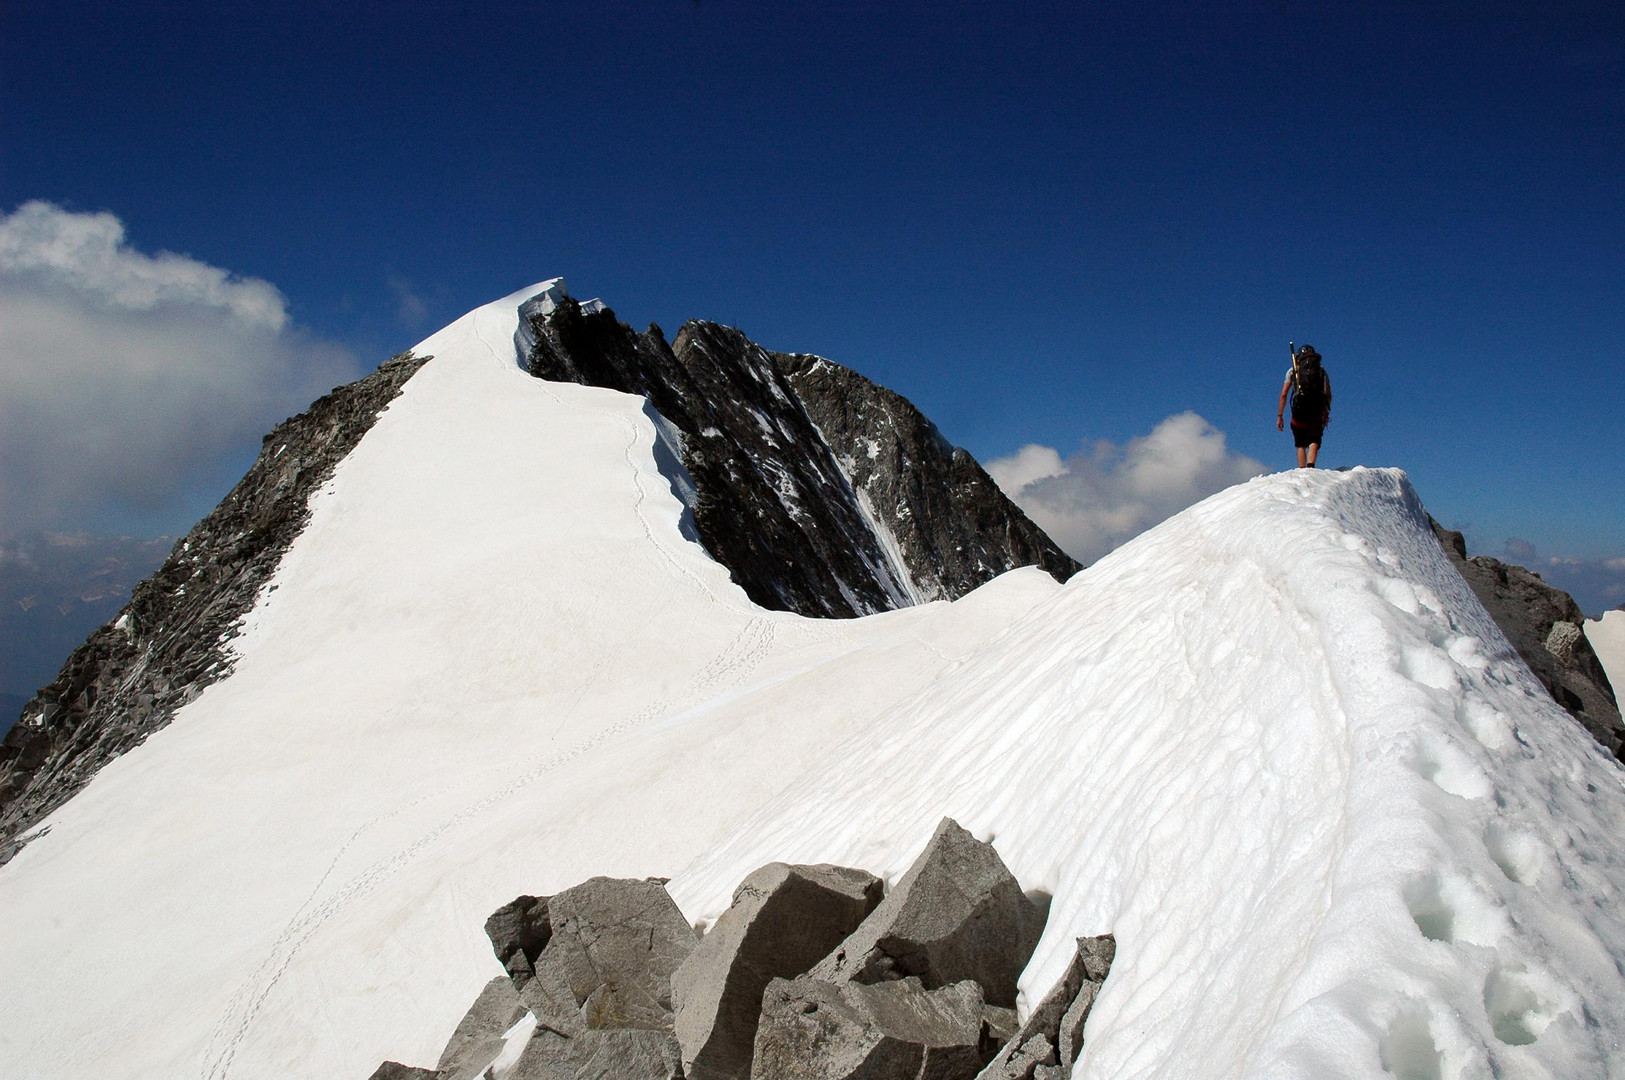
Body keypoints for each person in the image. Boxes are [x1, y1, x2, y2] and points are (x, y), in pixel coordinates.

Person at [1277, 344, 1332, 468]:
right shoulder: (1321, 371)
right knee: (1314, 438)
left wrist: (1280, 415)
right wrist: (1326, 410)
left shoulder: (1293, 371)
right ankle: (1311, 467)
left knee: (1300, 441)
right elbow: (1328, 394)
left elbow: (1283, 394)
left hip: (1299, 407)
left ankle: (1301, 470)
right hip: (1317, 406)